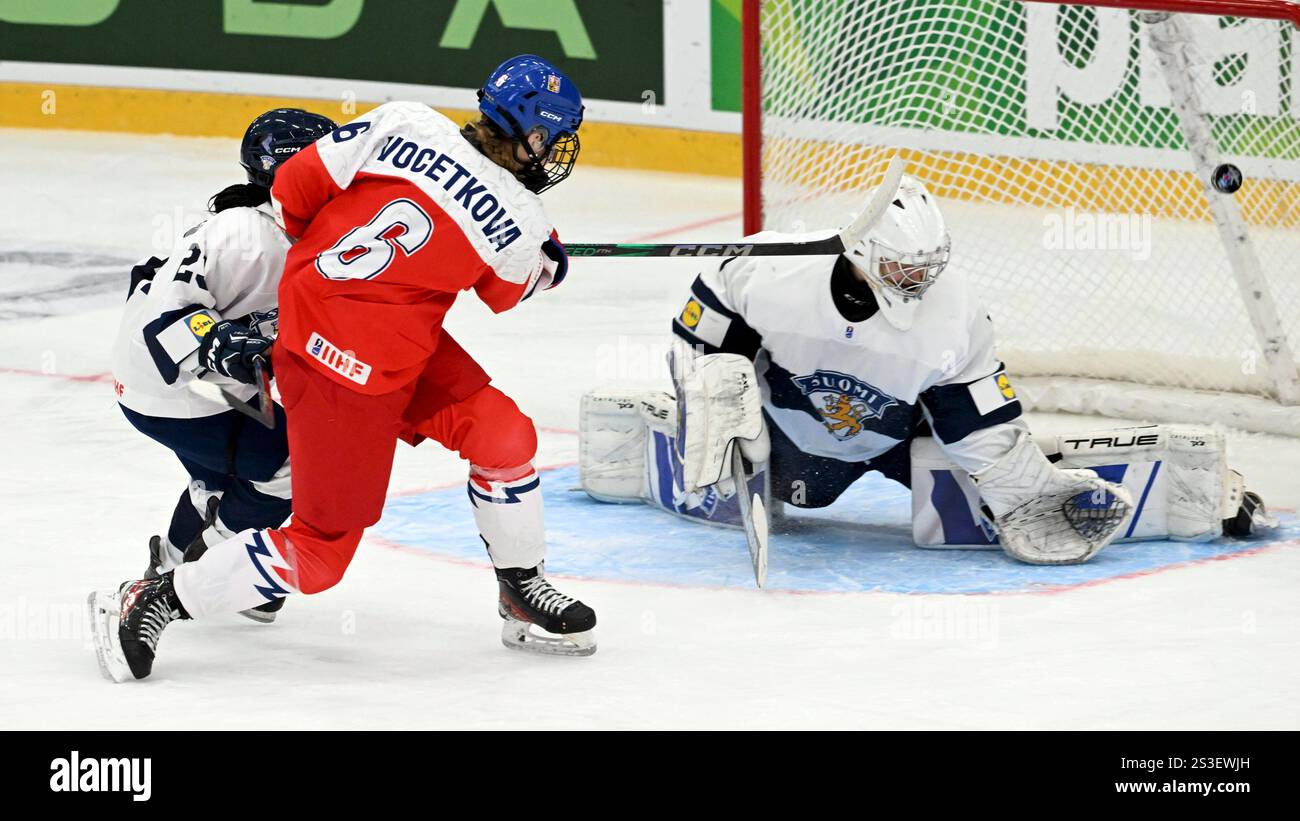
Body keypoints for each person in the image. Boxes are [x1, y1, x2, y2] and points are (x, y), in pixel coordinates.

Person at [90, 55, 596, 682]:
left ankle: (520, 585)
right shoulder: (522, 220)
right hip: (338, 376)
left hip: (367, 340)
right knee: (320, 555)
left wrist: (341, 277)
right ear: (536, 136)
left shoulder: (405, 120)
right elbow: (511, 292)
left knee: (504, 435)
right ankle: (157, 597)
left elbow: (297, 189)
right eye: (557, 139)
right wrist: (552, 259)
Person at [578, 175, 1276, 567]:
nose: (922, 279)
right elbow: (698, 335)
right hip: (791, 441)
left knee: (968, 513)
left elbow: (980, 424)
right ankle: (647, 440)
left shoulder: (953, 317)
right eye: (908, 268)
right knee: (747, 496)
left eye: (928, 266)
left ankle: (1201, 492)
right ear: (869, 257)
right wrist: (711, 390)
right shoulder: (768, 271)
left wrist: (1022, 495)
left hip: (896, 440)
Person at [110, 108, 337, 622]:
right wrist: (220, 343)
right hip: (172, 386)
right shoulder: (244, 234)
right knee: (295, 468)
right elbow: (165, 316)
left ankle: (166, 566)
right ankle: (205, 571)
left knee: (219, 479)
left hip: (173, 379)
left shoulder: (291, 229)